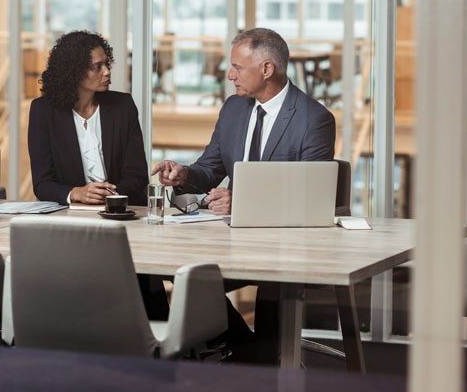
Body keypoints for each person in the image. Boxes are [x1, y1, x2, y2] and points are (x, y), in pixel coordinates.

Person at [151, 27, 336, 362]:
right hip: (229, 241)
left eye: (237, 67)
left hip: (285, 245)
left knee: (277, 281)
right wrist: (184, 174)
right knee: (186, 274)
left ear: (267, 69)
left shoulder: (314, 119)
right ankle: (249, 353)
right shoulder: (234, 110)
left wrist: (243, 201)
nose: (229, 74)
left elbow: (310, 196)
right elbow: (210, 168)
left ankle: (261, 362)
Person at [28, 30, 167, 319]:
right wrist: (76, 193)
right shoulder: (43, 111)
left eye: (107, 64)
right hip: (71, 224)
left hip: (124, 218)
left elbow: (137, 175)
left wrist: (110, 197)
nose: (107, 72)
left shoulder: (123, 106)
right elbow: (43, 183)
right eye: (97, 66)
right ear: (74, 71)